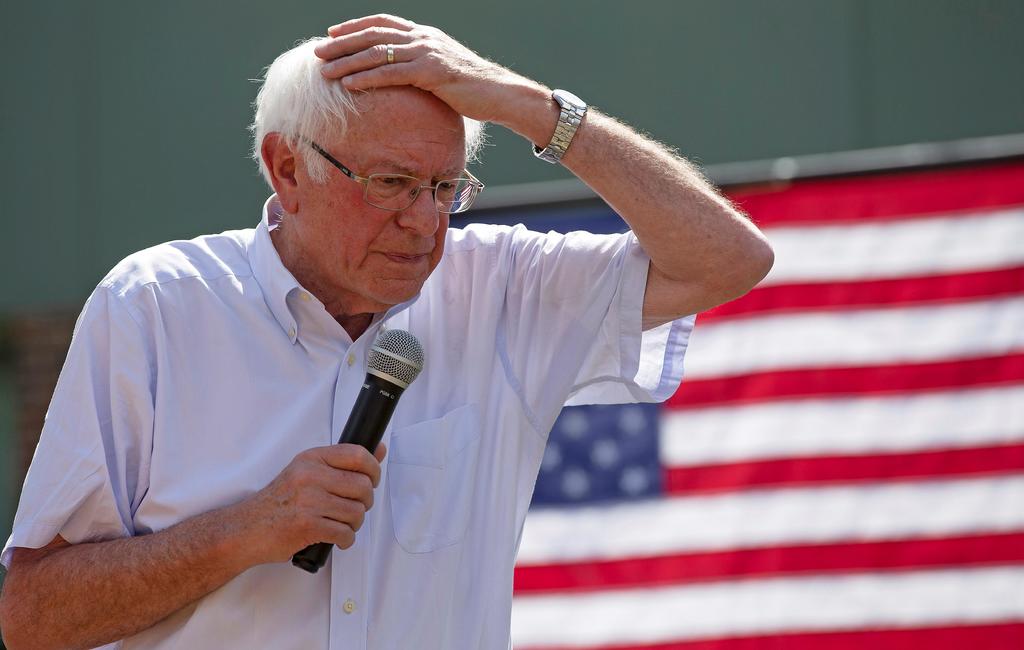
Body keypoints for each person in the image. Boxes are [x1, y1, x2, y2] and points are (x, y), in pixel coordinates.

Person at [0, 14, 773, 650]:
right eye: (392, 183)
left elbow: (732, 259)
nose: (425, 221)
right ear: (287, 169)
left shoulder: (501, 286)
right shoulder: (155, 305)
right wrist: (245, 530)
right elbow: (32, 617)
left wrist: (527, 105)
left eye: (445, 187)